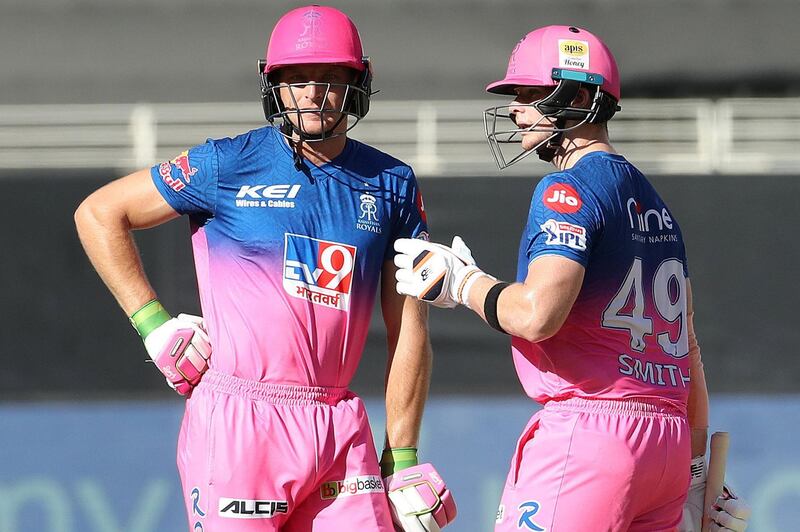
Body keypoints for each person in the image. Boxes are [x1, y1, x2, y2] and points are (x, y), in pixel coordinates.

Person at [75, 5, 455, 531]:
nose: (312, 93)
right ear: (272, 84)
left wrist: (404, 456)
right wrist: (152, 324)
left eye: (330, 78)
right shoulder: (226, 163)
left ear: (358, 83)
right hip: (238, 422)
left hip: (340, 425)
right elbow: (98, 213)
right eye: (295, 79)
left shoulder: (394, 183)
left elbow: (409, 325)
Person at [394, 25, 750, 531]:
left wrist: (462, 281)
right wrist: (693, 470)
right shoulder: (659, 207)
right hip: (667, 443)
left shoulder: (569, 188)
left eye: (531, 94)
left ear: (580, 97)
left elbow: (537, 317)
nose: (517, 108)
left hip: (591, 435)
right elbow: (686, 352)